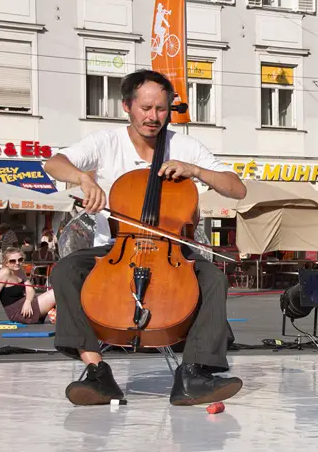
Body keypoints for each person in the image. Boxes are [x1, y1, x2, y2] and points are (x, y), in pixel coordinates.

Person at [44, 69, 247, 407]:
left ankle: (195, 372)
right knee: (65, 270)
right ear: (127, 106)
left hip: (172, 249)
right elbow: (54, 162)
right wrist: (83, 179)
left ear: (170, 109)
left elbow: (236, 188)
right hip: (116, 247)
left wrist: (195, 171)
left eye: (162, 110)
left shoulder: (184, 146)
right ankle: (97, 372)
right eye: (146, 108)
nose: (153, 117)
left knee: (213, 278)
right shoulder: (106, 142)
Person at [0, 247, 56, 324]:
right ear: (6, 263)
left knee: (59, 291)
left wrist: (28, 301)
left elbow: (30, 289)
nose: (17, 263)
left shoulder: (20, 270)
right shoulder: (4, 272)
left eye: (20, 260)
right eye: (12, 261)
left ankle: (57, 315)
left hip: (26, 305)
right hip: (18, 311)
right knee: (56, 292)